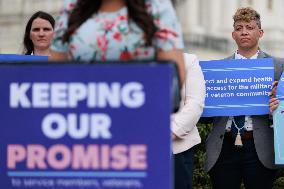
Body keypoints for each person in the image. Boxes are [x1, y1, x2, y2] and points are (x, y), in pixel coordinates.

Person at [201, 7, 284, 189]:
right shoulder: (216, 70)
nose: (244, 32)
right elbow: (204, 115)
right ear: (233, 34)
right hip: (224, 147)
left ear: (260, 32)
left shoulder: (278, 66)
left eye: (249, 27)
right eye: (239, 28)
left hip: (260, 149)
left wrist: (276, 108)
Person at [49, 0, 185, 83]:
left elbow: (173, 76)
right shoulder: (73, 4)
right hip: (83, 115)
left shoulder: (156, 5)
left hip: (141, 114)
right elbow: (54, 74)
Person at [172, 53, 205, 189]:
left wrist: (169, 133)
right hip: (133, 149)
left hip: (176, 148)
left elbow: (195, 104)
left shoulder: (188, 60)